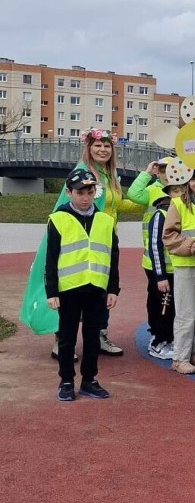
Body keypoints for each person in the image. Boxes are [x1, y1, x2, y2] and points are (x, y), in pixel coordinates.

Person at [54, 127, 143, 357]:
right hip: (82, 240)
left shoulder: (108, 174)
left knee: (101, 290)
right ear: (88, 147)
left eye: (107, 145)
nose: (102, 149)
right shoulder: (83, 173)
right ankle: (61, 340)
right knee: (74, 289)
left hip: (105, 239)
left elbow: (116, 204)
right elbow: (67, 207)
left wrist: (150, 200)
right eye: (98, 145)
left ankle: (99, 335)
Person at [45, 169, 119, 402]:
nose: (85, 198)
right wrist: (52, 291)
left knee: (92, 336)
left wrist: (113, 289)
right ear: (69, 192)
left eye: (90, 192)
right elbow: (51, 258)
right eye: (80, 193)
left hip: (96, 288)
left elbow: (113, 256)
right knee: (67, 337)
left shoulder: (106, 221)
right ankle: (66, 381)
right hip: (69, 289)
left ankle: (89, 380)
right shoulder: (58, 218)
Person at [163, 168, 195, 375]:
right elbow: (169, 236)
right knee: (185, 312)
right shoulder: (178, 203)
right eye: (194, 179)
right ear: (186, 181)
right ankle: (180, 357)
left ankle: (194, 353)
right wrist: (193, 245)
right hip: (186, 262)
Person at [145, 195, 175, 359]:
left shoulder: (184, 210)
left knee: (173, 309)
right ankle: (158, 341)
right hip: (164, 272)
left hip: (180, 271)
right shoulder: (160, 215)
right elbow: (155, 247)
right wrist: (160, 275)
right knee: (164, 307)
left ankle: (169, 339)